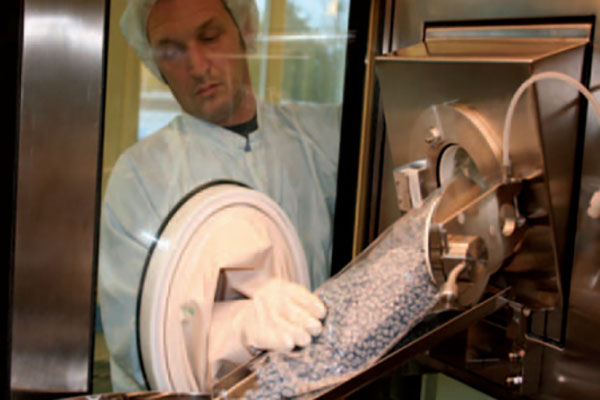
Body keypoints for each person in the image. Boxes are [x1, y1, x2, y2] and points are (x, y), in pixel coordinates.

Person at [99, 0, 342, 393]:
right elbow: (138, 340)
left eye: (210, 37)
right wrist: (238, 327)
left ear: (246, 31)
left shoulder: (322, 139)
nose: (197, 66)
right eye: (172, 52)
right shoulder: (141, 179)